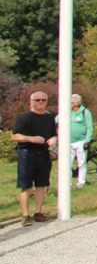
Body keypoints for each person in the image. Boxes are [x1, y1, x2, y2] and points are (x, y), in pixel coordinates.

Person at [12, 91, 58, 226]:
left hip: (43, 153)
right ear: (31, 102)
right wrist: (31, 139)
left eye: (43, 100)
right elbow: (15, 136)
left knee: (42, 184)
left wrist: (53, 139)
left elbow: (54, 134)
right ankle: (25, 215)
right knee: (25, 185)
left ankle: (38, 212)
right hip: (27, 152)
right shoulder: (25, 117)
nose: (40, 102)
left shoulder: (49, 118)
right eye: (37, 100)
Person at [67, 93, 94, 188]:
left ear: (76, 103)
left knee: (81, 163)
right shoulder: (67, 112)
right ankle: (67, 184)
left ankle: (81, 183)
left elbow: (89, 127)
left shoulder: (85, 112)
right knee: (67, 164)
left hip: (81, 142)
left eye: (71, 102)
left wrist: (87, 140)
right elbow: (56, 119)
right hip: (68, 142)